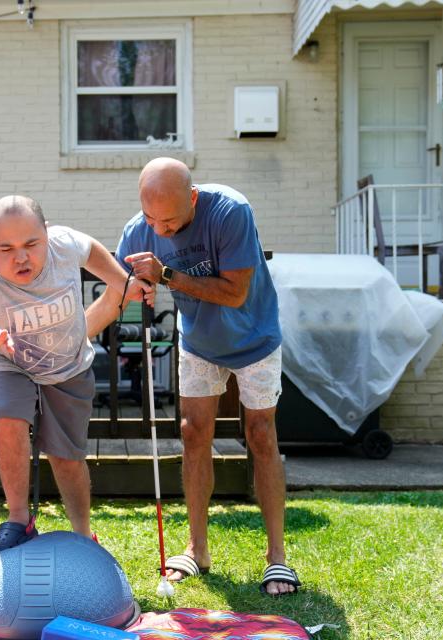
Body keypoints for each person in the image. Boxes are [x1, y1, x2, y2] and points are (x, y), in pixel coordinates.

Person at [0, 195, 152, 552]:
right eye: (6, 248)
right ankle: (18, 519)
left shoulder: (63, 243)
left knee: (67, 456)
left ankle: (82, 534)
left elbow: (91, 249)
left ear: (46, 233)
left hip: (68, 365)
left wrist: (123, 282)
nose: (21, 257)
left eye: (31, 244)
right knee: (8, 420)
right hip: (8, 359)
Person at [115, 157, 300, 596]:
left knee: (261, 435)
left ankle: (277, 558)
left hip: (254, 338)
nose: (158, 230)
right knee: (193, 432)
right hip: (198, 342)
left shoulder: (230, 211)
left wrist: (166, 276)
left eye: (170, 220)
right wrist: (132, 288)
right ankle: (197, 549)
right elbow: (121, 283)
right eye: (150, 218)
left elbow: (234, 293)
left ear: (192, 199)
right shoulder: (138, 231)